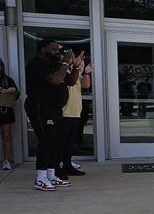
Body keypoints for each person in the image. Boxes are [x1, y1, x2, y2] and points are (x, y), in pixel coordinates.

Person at [25, 39, 75, 191]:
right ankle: (40, 178)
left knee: (55, 141)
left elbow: (71, 82)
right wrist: (65, 64)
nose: (57, 52)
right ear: (43, 49)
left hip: (54, 109)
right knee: (47, 141)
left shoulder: (54, 65)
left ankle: (51, 175)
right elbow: (54, 80)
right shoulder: (37, 63)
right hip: (41, 107)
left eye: (58, 49)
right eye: (53, 49)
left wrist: (77, 67)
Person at [57, 50, 91, 181]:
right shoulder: (62, 72)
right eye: (71, 57)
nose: (74, 59)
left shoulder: (74, 72)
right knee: (61, 143)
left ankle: (67, 165)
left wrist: (86, 72)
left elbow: (86, 85)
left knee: (70, 143)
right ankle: (57, 167)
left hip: (76, 113)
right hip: (64, 113)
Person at [0, 58, 18, 171]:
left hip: (5, 111)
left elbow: (17, 94)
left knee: (6, 136)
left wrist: (7, 90)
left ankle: (7, 160)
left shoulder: (7, 80)